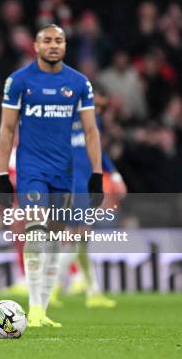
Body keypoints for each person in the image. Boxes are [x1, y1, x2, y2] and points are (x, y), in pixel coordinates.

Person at [0, 24, 103, 327]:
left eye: (59, 41)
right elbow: (6, 129)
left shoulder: (79, 83)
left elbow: (91, 130)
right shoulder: (19, 81)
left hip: (64, 171)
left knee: (55, 237)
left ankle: (43, 307)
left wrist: (96, 175)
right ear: (36, 45)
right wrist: (4, 174)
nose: (53, 45)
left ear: (65, 46)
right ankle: (33, 308)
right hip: (32, 169)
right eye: (47, 40)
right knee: (35, 229)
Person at [51, 97, 126, 309]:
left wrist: (115, 175)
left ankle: (93, 292)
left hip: (85, 183)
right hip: (69, 183)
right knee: (79, 236)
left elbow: (97, 151)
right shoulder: (58, 119)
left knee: (81, 240)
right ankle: (52, 287)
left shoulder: (92, 119)